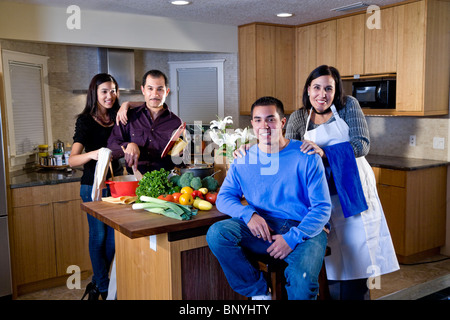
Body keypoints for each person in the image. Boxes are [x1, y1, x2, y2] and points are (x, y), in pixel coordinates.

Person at [285, 65, 399, 299]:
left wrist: (324, 152)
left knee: (358, 256)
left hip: (353, 191)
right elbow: (288, 155)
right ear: (308, 89)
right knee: (332, 260)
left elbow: (362, 144)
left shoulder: (349, 107)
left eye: (329, 88)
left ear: (336, 91)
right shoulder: (298, 118)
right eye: (317, 87)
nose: (322, 94)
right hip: (321, 196)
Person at [206, 96, 331, 300]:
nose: (264, 125)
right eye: (258, 120)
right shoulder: (243, 158)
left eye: (271, 119)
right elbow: (224, 197)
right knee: (217, 234)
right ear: (252, 124)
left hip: (306, 229)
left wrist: (292, 238)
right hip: (264, 228)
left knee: (303, 280)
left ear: (282, 123)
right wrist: (248, 214)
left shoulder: (306, 156)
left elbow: (322, 209)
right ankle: (259, 294)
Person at [69, 73, 123, 300]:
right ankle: (102, 286)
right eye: (104, 91)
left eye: (113, 91)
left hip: (117, 186)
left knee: (113, 240)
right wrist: (95, 154)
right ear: (95, 93)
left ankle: (98, 281)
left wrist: (127, 104)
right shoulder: (85, 121)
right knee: (98, 236)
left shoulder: (121, 117)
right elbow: (72, 159)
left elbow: (153, 102)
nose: (109, 96)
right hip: (92, 186)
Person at [107, 69, 182, 174]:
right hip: (134, 181)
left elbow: (180, 162)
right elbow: (111, 146)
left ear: (167, 92)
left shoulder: (176, 122)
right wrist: (128, 145)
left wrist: (182, 154)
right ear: (143, 90)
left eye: (160, 89)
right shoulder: (128, 116)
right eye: (150, 88)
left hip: (165, 182)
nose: (154, 94)